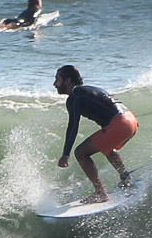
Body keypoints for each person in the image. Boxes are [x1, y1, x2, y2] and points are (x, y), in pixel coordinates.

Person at [53, 64, 138, 203]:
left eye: (57, 79)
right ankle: (126, 179)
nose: (55, 84)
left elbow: (73, 126)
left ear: (68, 80)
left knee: (80, 152)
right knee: (108, 147)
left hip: (120, 123)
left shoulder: (75, 96)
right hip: (130, 120)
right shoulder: (86, 90)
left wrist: (66, 154)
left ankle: (100, 193)